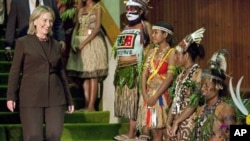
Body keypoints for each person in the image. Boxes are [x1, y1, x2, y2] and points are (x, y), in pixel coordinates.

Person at [6, 5, 74, 141]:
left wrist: (69, 99)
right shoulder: (22, 43)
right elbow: (15, 72)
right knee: (33, 137)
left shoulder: (55, 45)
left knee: (54, 135)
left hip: (55, 96)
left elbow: (61, 73)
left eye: (50, 21)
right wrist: (11, 96)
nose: (48, 24)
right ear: (34, 21)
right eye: (44, 20)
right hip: (31, 96)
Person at [112, 0, 152, 140]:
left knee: (138, 101)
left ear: (141, 11)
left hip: (138, 68)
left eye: (133, 8)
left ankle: (143, 132)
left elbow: (152, 47)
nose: (129, 11)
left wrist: (146, 67)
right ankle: (132, 132)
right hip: (123, 69)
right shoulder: (125, 28)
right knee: (130, 103)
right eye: (127, 8)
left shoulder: (145, 26)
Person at [136, 21, 177, 141]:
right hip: (148, 94)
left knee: (160, 131)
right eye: (152, 33)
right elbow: (144, 74)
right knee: (153, 129)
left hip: (161, 96)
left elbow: (169, 77)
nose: (152, 35)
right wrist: (144, 94)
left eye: (156, 33)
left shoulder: (171, 52)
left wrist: (155, 96)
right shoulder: (151, 52)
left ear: (165, 35)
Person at [66, 0, 108, 112]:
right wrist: (79, 7)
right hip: (81, 41)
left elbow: (97, 27)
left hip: (92, 42)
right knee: (85, 74)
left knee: (92, 74)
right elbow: (77, 24)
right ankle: (86, 105)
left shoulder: (97, 8)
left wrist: (84, 43)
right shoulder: (81, 9)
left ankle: (91, 106)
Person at [165, 28, 206, 141]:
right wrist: (168, 123)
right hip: (176, 121)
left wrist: (177, 122)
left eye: (177, 55)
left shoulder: (198, 74)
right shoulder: (180, 75)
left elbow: (193, 104)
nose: (175, 58)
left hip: (190, 121)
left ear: (186, 56)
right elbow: (174, 101)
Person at [190, 49, 236, 141]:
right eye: (202, 85)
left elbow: (230, 132)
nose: (203, 89)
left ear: (219, 86)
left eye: (207, 85)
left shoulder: (225, 109)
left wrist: (222, 134)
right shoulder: (201, 109)